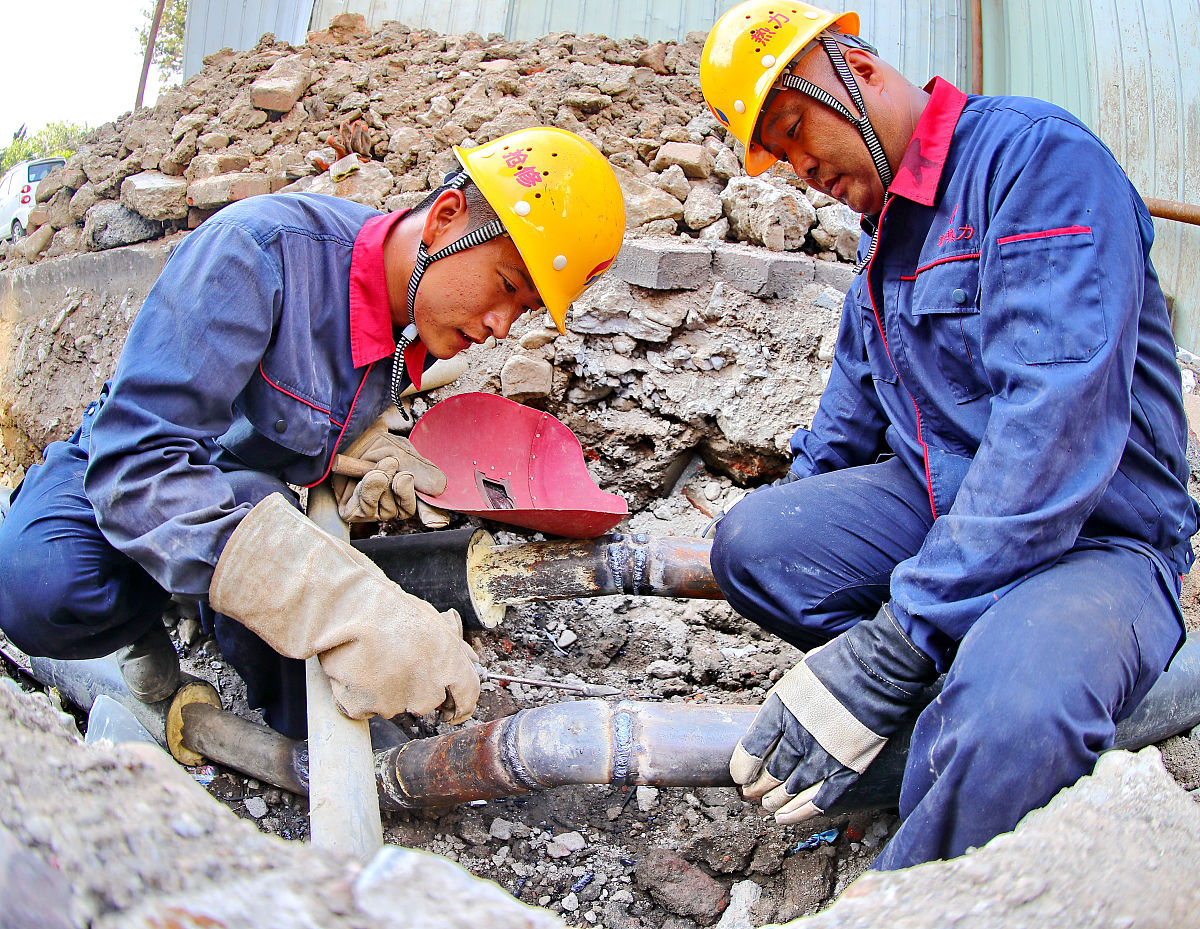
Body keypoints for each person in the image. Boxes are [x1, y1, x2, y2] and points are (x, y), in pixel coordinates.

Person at [700, 0, 1197, 869]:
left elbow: (1055, 428)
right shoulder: (887, 238)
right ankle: (955, 698)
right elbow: (845, 424)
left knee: (1011, 712)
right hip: (951, 514)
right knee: (757, 543)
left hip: (1098, 539)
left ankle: (927, 856)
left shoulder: (1036, 163)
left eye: (795, 126)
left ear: (855, 71)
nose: (800, 166)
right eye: (778, 155)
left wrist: (895, 642)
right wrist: (794, 524)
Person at [0, 126, 625, 739]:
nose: (500, 326)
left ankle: (210, 606)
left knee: (327, 709)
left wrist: (351, 446)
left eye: (524, 312)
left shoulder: (421, 311)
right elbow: (136, 466)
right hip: (129, 467)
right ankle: (148, 627)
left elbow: (307, 413)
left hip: (242, 494)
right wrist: (339, 603)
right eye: (508, 286)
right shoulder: (256, 253)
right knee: (44, 585)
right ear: (447, 216)